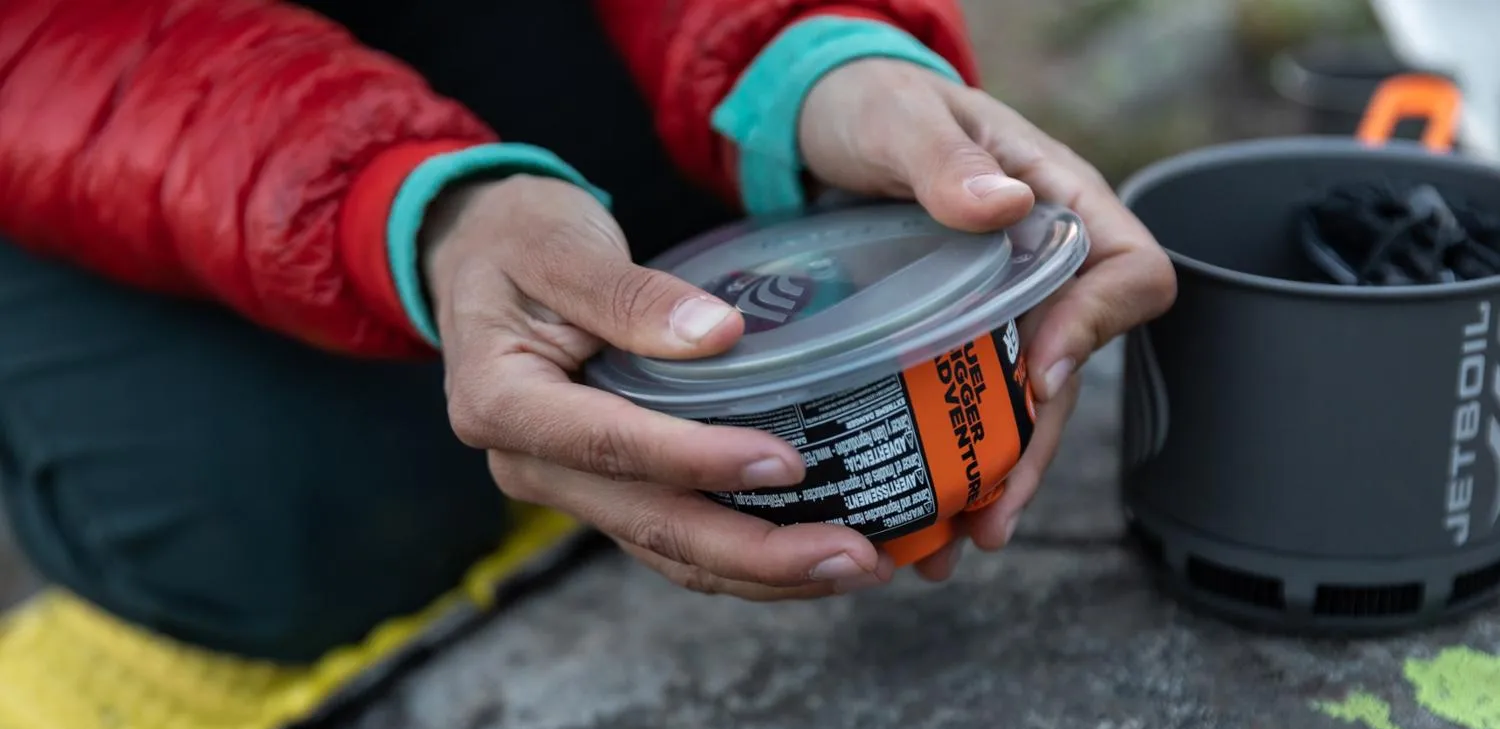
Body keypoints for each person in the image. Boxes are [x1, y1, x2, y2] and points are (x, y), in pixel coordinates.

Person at [0, 0, 1176, 665]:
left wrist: (808, 53)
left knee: (749, 238)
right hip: (91, 63)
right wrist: (407, 208)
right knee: (275, 522)